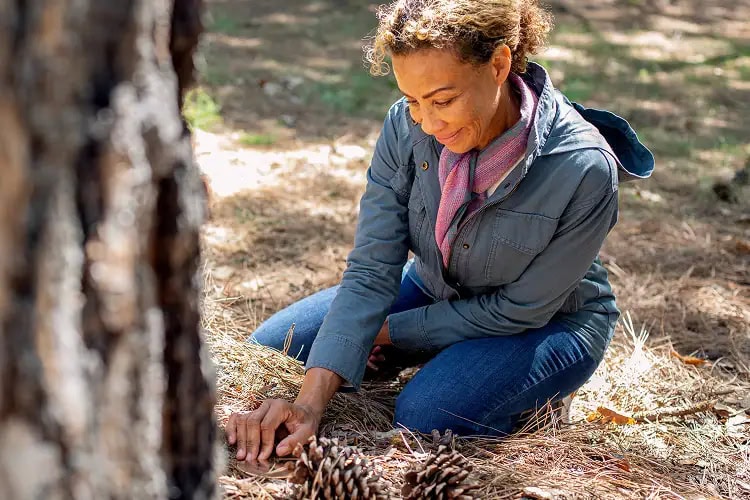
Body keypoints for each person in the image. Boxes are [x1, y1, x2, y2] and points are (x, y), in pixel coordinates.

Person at [225, 0, 654, 463]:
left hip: (548, 323)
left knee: (427, 415)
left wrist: (387, 332)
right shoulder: (404, 127)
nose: (427, 123)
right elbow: (372, 268)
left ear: (499, 64)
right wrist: (308, 406)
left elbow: (519, 309)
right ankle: (452, 359)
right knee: (277, 347)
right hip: (438, 287)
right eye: (413, 100)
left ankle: (529, 397)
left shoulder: (583, 166)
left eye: (443, 100)